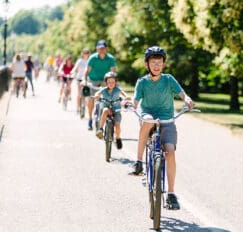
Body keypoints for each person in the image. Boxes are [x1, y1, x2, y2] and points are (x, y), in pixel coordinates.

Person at [130, 46, 194, 210]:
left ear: (163, 64)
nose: (156, 65)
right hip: (148, 115)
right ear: (147, 65)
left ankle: (171, 194)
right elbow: (135, 100)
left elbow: (182, 94)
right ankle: (138, 162)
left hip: (167, 119)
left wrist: (187, 100)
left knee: (170, 152)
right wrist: (131, 104)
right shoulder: (142, 82)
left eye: (159, 62)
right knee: (149, 120)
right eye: (153, 62)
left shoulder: (169, 79)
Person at [83, 40, 117, 130]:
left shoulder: (110, 58)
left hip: (105, 81)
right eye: (100, 48)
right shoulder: (92, 58)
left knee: (108, 99)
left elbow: (113, 71)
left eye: (103, 48)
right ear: (97, 49)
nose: (101, 50)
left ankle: (108, 120)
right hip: (93, 80)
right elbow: (87, 70)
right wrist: (84, 80)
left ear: (106, 49)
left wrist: (114, 82)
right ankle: (90, 119)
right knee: (91, 98)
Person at [94, 72, 129, 149]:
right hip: (106, 109)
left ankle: (118, 138)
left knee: (117, 125)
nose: (111, 84)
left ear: (115, 82)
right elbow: (98, 93)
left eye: (113, 82)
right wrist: (97, 95)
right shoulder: (104, 90)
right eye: (109, 82)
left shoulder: (117, 89)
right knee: (105, 110)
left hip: (116, 110)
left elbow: (123, 93)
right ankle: (100, 129)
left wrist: (127, 96)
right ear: (106, 82)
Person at [71, 48, 90, 113]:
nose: (85, 54)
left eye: (87, 53)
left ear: (88, 54)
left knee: (87, 95)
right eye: (84, 53)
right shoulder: (80, 60)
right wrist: (72, 72)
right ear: (82, 54)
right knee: (79, 94)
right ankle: (78, 107)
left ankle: (85, 107)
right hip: (79, 78)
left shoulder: (90, 60)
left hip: (87, 79)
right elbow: (75, 67)